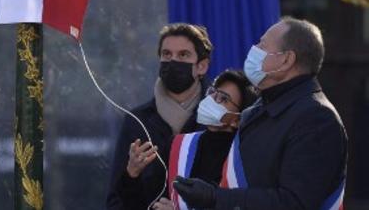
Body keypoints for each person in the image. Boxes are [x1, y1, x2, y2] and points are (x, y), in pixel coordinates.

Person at [175, 17, 348, 210]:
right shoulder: (261, 108)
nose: (254, 48)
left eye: (262, 45)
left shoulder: (316, 119)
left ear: (286, 60)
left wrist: (215, 198)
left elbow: (294, 203)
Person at [107, 23, 213, 210]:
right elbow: (115, 202)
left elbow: (230, 193)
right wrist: (131, 174)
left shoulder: (217, 119)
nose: (173, 61)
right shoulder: (137, 121)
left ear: (201, 66)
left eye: (183, 55)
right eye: (167, 54)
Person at [151, 70, 257, 210]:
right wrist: (132, 174)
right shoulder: (178, 145)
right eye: (213, 92)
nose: (212, 99)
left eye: (223, 99)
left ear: (237, 119)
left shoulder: (246, 158)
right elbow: (152, 197)